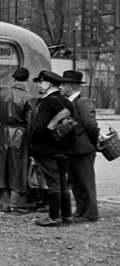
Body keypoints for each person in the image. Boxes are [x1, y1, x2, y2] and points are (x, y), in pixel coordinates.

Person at [29, 70, 74, 227]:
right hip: (62, 148)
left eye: (40, 82)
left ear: (48, 84)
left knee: (53, 182)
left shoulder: (46, 102)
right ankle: (67, 215)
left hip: (46, 148)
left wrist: (31, 141)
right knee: (62, 180)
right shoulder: (66, 102)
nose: (39, 85)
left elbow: (40, 127)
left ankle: (54, 217)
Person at [0, 67, 34, 214]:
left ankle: (5, 204)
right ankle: (17, 204)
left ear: (13, 79)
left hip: (3, 134)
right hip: (21, 135)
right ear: (26, 80)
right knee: (19, 169)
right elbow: (31, 124)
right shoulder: (29, 98)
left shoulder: (0, 95)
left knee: (3, 170)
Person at [60, 70, 100, 223]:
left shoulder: (82, 101)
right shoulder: (72, 101)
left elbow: (91, 125)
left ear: (71, 86)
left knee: (85, 181)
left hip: (82, 148)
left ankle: (91, 213)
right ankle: (81, 211)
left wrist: (92, 142)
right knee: (75, 181)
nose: (61, 87)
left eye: (64, 84)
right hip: (73, 147)